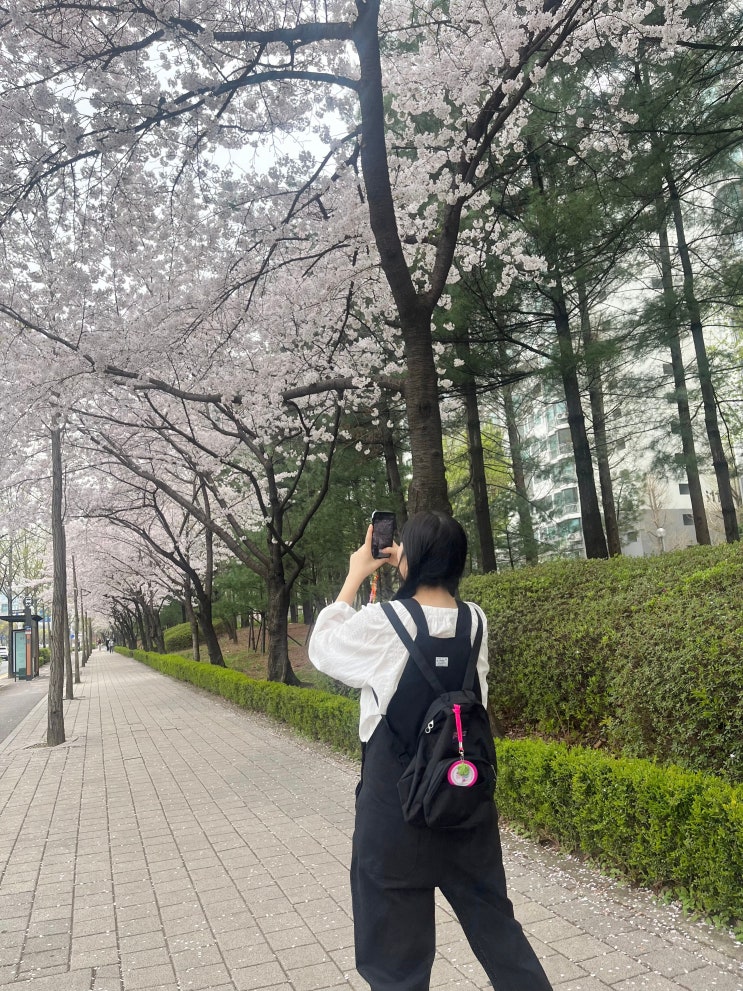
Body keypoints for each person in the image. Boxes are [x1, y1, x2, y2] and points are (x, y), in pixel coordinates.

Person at [309, 511, 553, 991]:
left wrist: (357, 575)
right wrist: (415, 562)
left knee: (395, 964)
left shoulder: (383, 622)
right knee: (499, 935)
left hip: (395, 813)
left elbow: (323, 649)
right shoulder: (475, 621)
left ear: (413, 558)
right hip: (463, 804)